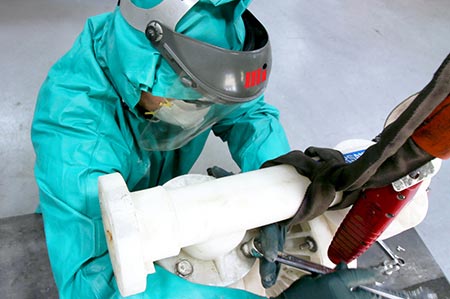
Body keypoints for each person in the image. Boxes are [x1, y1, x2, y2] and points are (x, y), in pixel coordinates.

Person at [31, 0, 378, 298]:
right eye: (196, 101)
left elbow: (249, 115)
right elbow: (92, 285)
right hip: (90, 210)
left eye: (213, 101)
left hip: (164, 199)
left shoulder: (202, 49)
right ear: (142, 71)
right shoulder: (74, 130)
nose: (207, 110)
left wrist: (277, 183)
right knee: (91, 235)